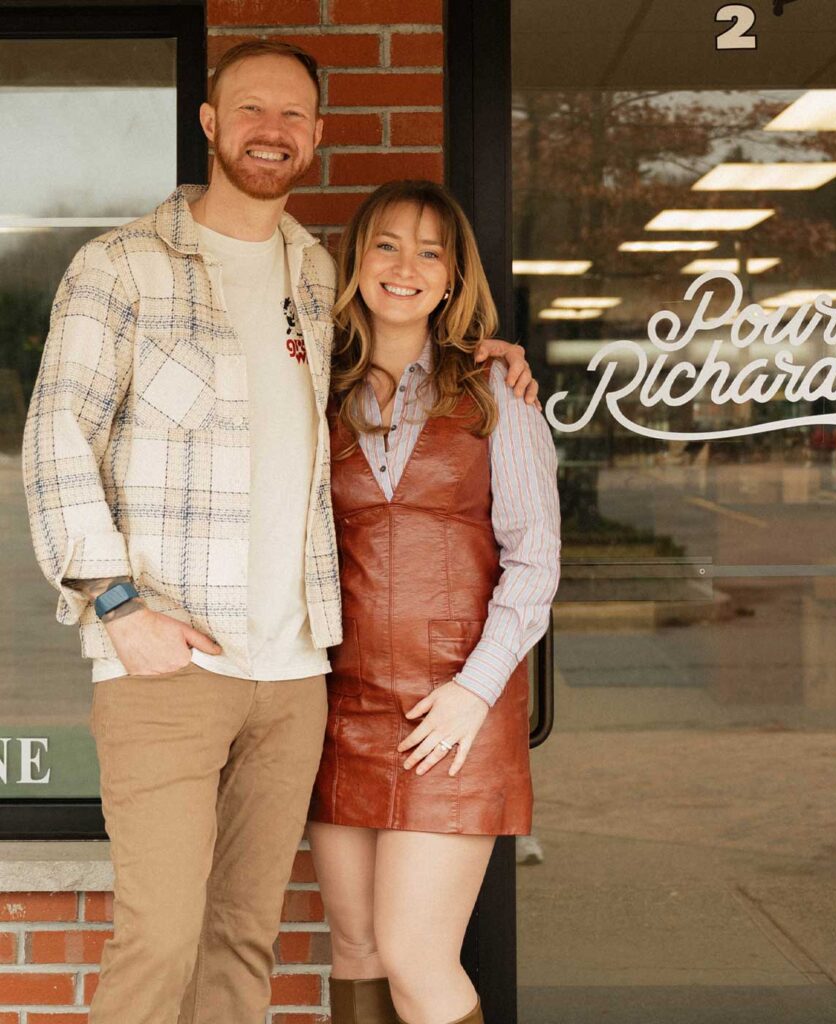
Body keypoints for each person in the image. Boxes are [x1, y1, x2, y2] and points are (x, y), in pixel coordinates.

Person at [21, 40, 536, 1024]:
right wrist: (118, 606)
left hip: (297, 673)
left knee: (241, 941)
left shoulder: (313, 272)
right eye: (250, 109)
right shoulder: (120, 268)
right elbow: (55, 449)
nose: (272, 129)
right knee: (160, 936)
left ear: (316, 136)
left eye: (294, 115)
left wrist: (482, 354)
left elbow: (402, 344)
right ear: (210, 124)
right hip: (167, 662)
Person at [306, 179, 561, 1024]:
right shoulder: (316, 392)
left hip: (454, 709)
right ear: (355, 263)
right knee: (357, 950)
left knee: (417, 956)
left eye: (429, 251)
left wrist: (472, 692)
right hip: (342, 706)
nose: (405, 266)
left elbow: (533, 567)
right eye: (385, 244)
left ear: (452, 278)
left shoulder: (498, 397)